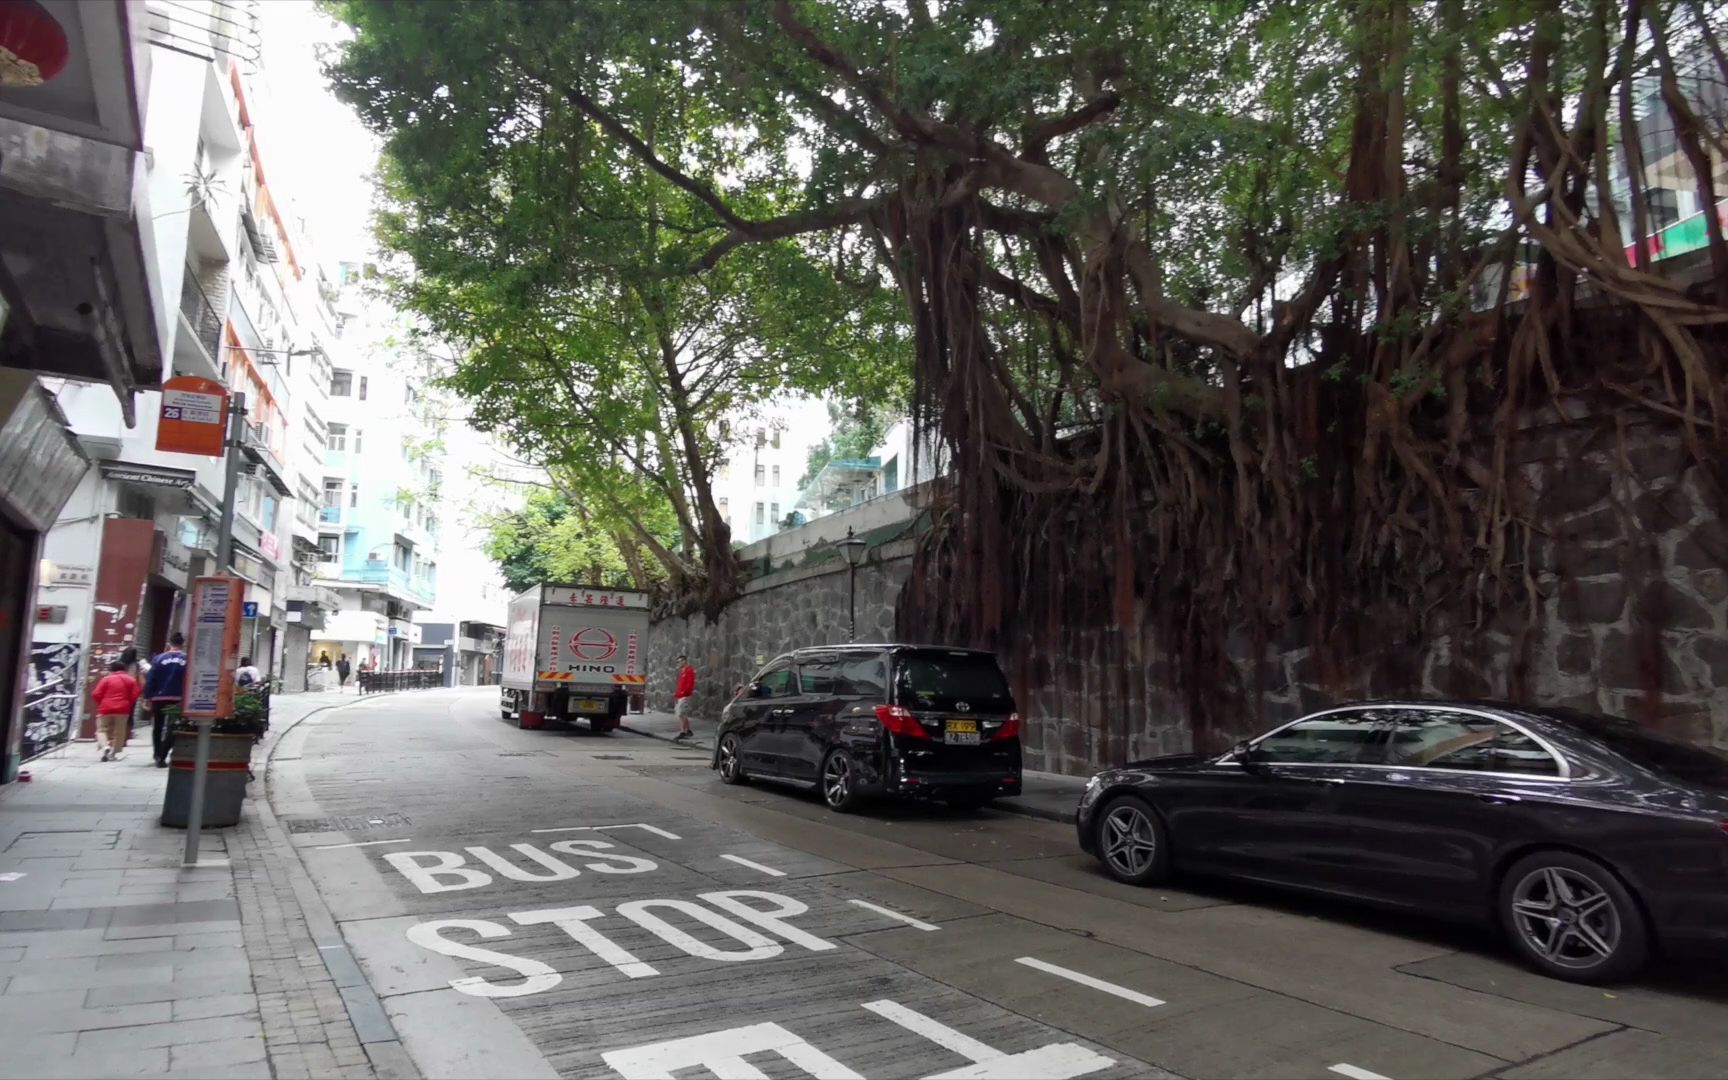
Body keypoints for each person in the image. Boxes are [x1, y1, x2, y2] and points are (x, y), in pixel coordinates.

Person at [142, 632, 188, 768]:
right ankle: (163, 754)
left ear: (169, 644)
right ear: (182, 644)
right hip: (178, 698)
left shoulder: (158, 659)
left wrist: (147, 697)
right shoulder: (187, 659)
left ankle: (157, 753)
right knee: (173, 727)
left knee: (157, 726)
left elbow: (151, 679)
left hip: (159, 697)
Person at [91, 660, 141, 762]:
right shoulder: (130, 680)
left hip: (105, 708)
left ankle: (105, 747)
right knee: (119, 732)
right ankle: (113, 753)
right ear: (124, 669)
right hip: (123, 709)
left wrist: (102, 702)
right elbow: (136, 694)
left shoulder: (106, 679)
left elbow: (96, 694)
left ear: (111, 669)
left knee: (101, 730)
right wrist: (128, 703)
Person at [673, 654, 696, 740]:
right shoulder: (682, 671)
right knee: (682, 714)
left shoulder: (689, 670)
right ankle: (687, 730)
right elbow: (680, 684)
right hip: (680, 695)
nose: (678, 663)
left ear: (684, 661)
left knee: (681, 713)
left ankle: (683, 731)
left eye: (679, 662)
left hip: (685, 695)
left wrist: (684, 692)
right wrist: (677, 693)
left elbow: (690, 683)